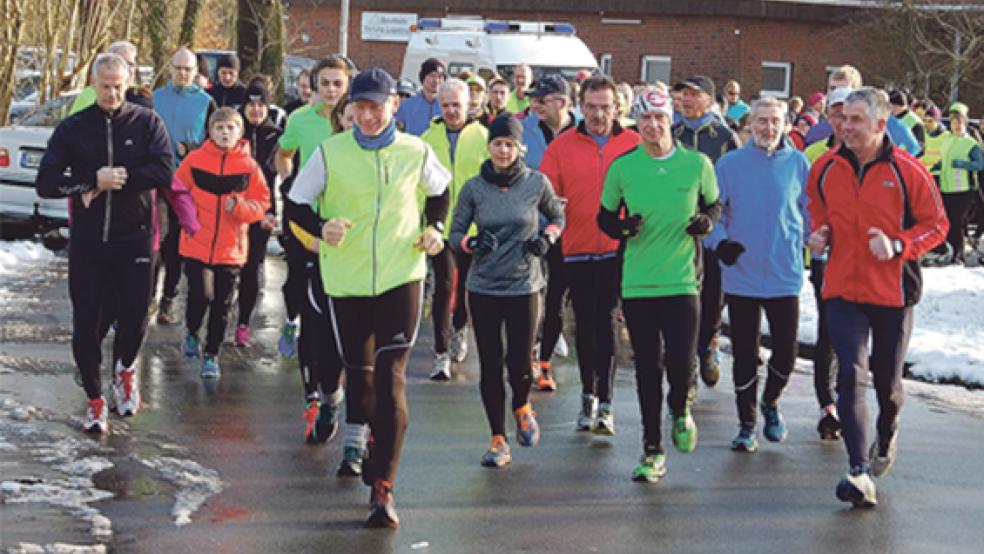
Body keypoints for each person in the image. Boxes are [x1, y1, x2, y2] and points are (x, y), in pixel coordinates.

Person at [286, 68, 451, 529]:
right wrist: (322, 228)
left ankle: (384, 488)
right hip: (347, 280)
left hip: (402, 275)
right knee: (362, 378)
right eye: (360, 107)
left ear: (394, 106)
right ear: (349, 110)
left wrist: (434, 230)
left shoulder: (415, 151)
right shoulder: (329, 152)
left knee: (392, 375)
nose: (368, 115)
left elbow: (441, 192)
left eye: (377, 106)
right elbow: (295, 203)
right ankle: (366, 443)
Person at [806, 87, 948, 508]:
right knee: (850, 375)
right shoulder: (826, 167)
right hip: (842, 288)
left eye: (856, 120)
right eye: (842, 118)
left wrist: (899, 245)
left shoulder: (907, 170)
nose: (846, 127)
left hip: (892, 291)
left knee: (887, 385)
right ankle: (858, 469)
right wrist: (819, 233)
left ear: (881, 125)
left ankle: (886, 433)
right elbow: (815, 206)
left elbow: (936, 225)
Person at [35, 53, 173, 431]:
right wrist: (91, 181)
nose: (112, 93)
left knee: (134, 318)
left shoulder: (147, 122)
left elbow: (165, 169)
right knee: (86, 323)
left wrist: (120, 178)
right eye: (105, 86)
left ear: (127, 83)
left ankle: (124, 370)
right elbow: (46, 182)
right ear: (93, 85)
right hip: (89, 240)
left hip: (136, 238)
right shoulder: (74, 127)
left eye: (118, 86)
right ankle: (94, 400)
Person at [598, 88, 720, 482]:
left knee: (682, 363)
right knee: (647, 367)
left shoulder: (696, 164)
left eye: (660, 119)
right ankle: (652, 449)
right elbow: (603, 217)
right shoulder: (623, 167)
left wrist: (706, 223)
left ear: (672, 121)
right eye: (645, 120)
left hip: (684, 280)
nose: (652, 127)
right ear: (637, 123)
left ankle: (680, 409)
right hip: (638, 281)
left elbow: (714, 204)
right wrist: (621, 227)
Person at [449, 114, 565, 467]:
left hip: (524, 285)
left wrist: (547, 238)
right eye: (497, 144)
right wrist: (471, 243)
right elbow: (454, 234)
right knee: (490, 363)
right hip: (483, 286)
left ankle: (523, 405)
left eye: (509, 145)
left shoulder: (536, 183)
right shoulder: (473, 188)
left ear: (519, 148)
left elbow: (558, 216)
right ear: (489, 147)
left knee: (519, 361)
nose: (503, 151)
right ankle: (497, 438)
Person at [708, 97, 810, 452]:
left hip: (784, 272)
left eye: (775, 121)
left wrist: (818, 245)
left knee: (786, 352)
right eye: (761, 121)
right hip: (742, 273)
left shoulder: (799, 163)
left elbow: (810, 215)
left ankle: (771, 401)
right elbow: (713, 214)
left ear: (786, 124)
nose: (768, 128)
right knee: (746, 353)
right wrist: (720, 243)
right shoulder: (730, 164)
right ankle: (746, 422)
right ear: (749, 124)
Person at [540, 75, 641, 435]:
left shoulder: (634, 144)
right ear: (580, 107)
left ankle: (607, 402)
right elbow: (545, 192)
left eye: (606, 107)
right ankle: (588, 395)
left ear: (618, 109)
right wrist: (554, 212)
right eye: (593, 107)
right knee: (585, 325)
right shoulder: (562, 146)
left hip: (620, 248)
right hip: (578, 248)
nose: (599, 115)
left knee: (608, 323)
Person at [166, 107, 271, 377]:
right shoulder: (195, 159)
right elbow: (177, 192)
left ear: (240, 132)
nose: (225, 133)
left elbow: (261, 204)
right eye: (219, 128)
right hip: (196, 242)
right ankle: (191, 330)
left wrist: (240, 208)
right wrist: (189, 220)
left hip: (231, 248)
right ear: (210, 132)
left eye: (231, 128)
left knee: (223, 304)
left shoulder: (249, 166)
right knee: (201, 294)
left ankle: (212, 353)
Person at [275, 55, 353, 358]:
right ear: (315, 85)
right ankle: (291, 319)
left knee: (330, 282)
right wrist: (290, 182)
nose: (331, 90)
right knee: (297, 278)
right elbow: (283, 155)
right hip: (305, 214)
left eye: (338, 84)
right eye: (325, 84)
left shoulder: (355, 120)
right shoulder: (300, 119)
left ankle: (327, 337)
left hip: (341, 212)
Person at [671, 75, 742, 392]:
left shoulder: (725, 136)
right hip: (676, 227)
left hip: (712, 224)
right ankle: (682, 359)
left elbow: (737, 182)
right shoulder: (672, 134)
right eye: (682, 94)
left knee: (713, 291)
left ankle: (708, 344)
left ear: (709, 100)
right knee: (682, 296)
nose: (685, 100)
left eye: (692, 95)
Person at [421, 79, 489, 379]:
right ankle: (440, 352)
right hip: (440, 228)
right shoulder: (426, 138)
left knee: (464, 290)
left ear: (468, 105)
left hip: (472, 228)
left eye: (456, 105)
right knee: (443, 287)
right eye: (445, 105)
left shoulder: (483, 137)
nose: (451, 111)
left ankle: (459, 329)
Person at [803, 86, 853, 441]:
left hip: (865, 261)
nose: (841, 121)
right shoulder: (813, 155)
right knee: (830, 331)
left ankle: (853, 401)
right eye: (835, 113)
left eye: (848, 114)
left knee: (857, 337)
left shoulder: (874, 154)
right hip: (826, 258)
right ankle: (828, 405)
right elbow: (802, 205)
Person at [152, 47, 216, 325]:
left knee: (177, 246)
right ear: (170, 69)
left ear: (196, 72)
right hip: (156, 180)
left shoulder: (206, 102)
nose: (182, 74)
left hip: (188, 183)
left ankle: (168, 300)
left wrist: (191, 148)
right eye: (178, 68)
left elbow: (214, 142)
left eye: (188, 69)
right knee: (155, 242)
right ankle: (146, 299)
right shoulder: (155, 98)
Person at [522, 75, 577, 390]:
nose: (535, 105)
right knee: (531, 296)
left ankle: (545, 363)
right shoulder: (525, 131)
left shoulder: (580, 131)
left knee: (557, 298)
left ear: (563, 101)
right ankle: (527, 355)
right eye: (533, 100)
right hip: (531, 227)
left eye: (542, 100)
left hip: (571, 229)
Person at [233, 82, 282, 346]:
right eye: (250, 105)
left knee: (252, 268)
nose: (255, 110)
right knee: (230, 270)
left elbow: (282, 178)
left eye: (260, 105)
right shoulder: (233, 132)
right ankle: (221, 314)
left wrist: (274, 213)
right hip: (232, 213)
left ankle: (243, 323)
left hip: (261, 213)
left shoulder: (275, 136)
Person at [804, 65, 921, 156]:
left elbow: (912, 150)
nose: (837, 93)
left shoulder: (886, 125)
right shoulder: (816, 132)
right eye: (832, 88)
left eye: (844, 88)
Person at [932, 102, 984, 265]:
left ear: (965, 123)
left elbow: (980, 164)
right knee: (947, 222)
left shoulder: (971, 144)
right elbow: (944, 160)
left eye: (959, 122)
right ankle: (949, 251)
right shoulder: (947, 139)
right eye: (954, 122)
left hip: (964, 189)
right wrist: (935, 167)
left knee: (958, 224)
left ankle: (958, 256)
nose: (956, 125)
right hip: (946, 187)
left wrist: (962, 164)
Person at [70, 41, 153, 114]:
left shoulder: (144, 96)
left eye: (131, 64)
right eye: (120, 63)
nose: (126, 68)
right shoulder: (89, 94)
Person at [394, 57, 446, 136]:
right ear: (423, 78)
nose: (436, 81)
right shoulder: (407, 105)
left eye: (440, 77)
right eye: (432, 76)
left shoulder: (448, 105)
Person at [889, 89, 925, 154]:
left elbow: (920, 150)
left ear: (893, 105)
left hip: (904, 161)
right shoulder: (890, 118)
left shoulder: (915, 122)